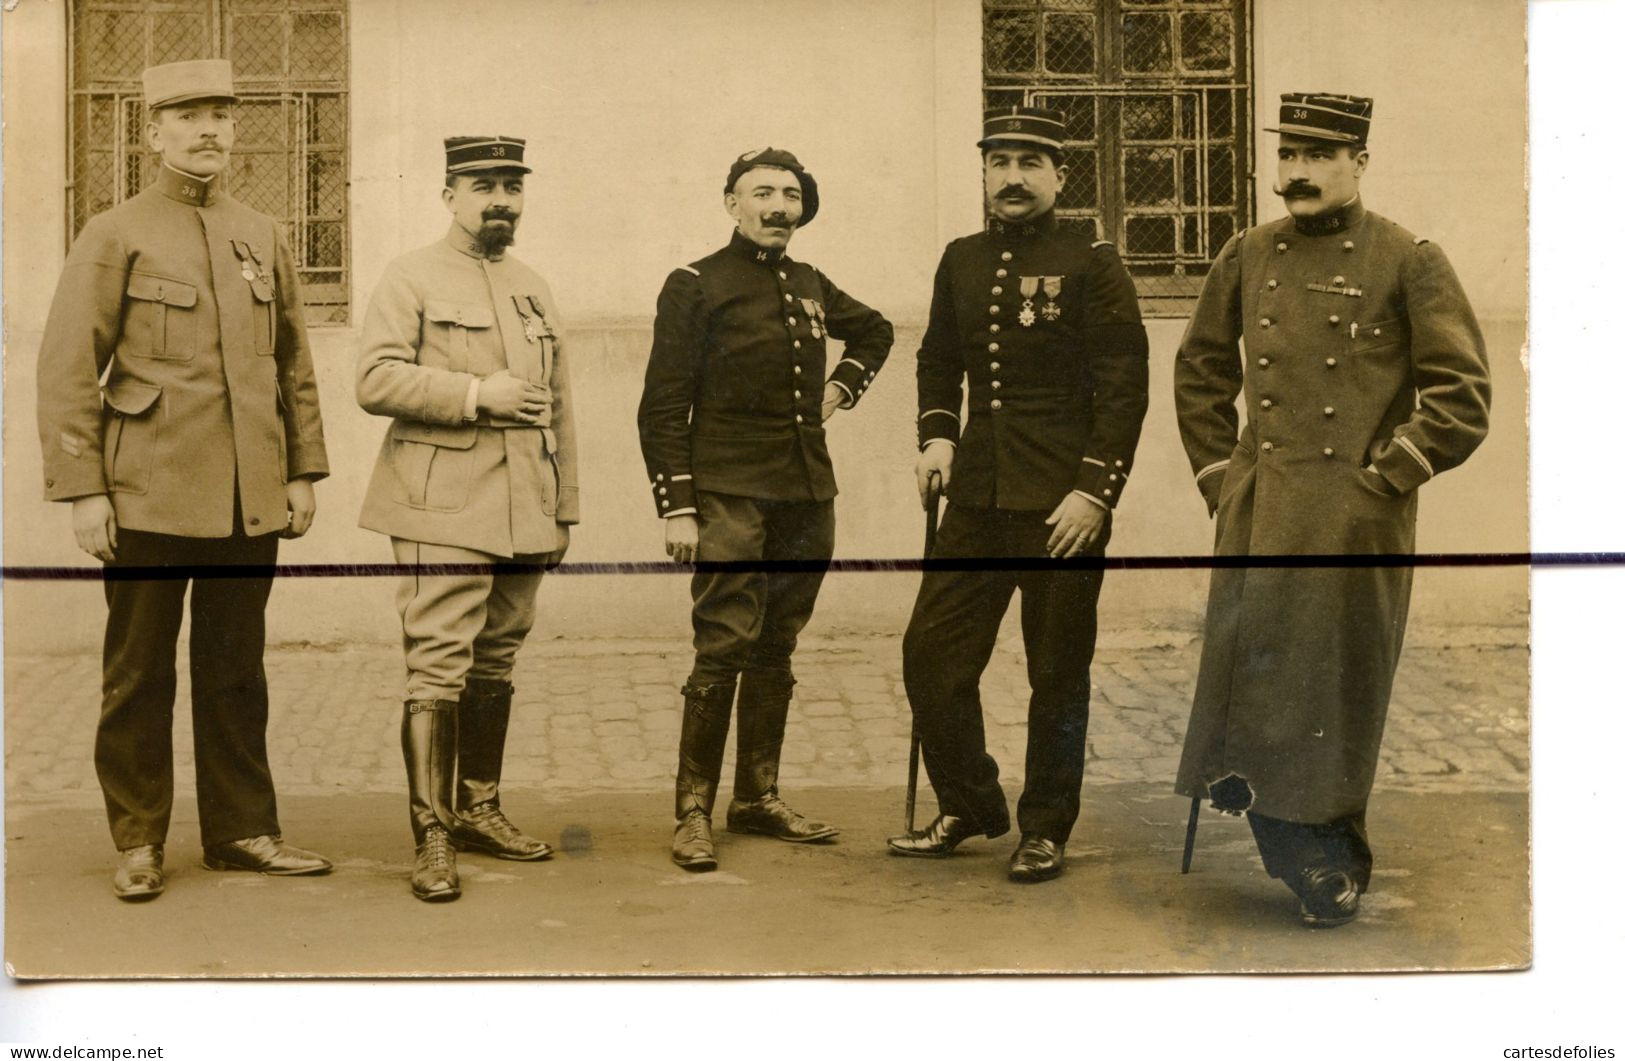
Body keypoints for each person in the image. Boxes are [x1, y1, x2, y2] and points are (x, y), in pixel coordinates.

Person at [1173, 93, 1492, 926]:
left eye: (1319, 154)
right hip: (1261, 510)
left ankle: (1329, 857)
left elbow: (1460, 396)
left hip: (1354, 517)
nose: (1298, 172)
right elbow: (1201, 368)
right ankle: (1312, 863)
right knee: (1257, 687)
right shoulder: (1245, 253)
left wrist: (1382, 481)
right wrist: (1221, 478)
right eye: (1289, 155)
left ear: (1359, 162)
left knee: (1333, 692)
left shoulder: (1407, 259)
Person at [35, 59, 332, 901]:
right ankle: (138, 839)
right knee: (138, 672)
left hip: (248, 496)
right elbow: (66, 368)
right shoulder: (114, 231)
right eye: (189, 115)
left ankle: (243, 830)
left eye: (221, 116)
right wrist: (84, 489)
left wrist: (301, 470)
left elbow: (292, 364)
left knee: (238, 667)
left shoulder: (260, 232)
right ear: (153, 130)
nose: (208, 131)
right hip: (147, 492)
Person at [888, 106, 1149, 883]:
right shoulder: (960, 258)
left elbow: (1122, 388)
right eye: (998, 161)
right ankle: (970, 802)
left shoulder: (1092, 262)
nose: (1011, 177)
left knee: (1056, 671)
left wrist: (1094, 493)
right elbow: (939, 359)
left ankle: (1044, 826)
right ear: (983, 172)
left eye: (1029, 163)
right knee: (929, 656)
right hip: (974, 497)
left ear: (1059, 176)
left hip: (1061, 508)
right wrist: (936, 435)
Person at [638, 147, 893, 871]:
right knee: (723, 642)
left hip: (807, 492)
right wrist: (677, 506)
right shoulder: (694, 284)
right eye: (762, 193)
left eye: (789, 194)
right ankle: (691, 810)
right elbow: (661, 407)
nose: (779, 207)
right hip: (726, 490)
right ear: (731, 203)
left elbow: (874, 330)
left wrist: (840, 388)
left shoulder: (809, 281)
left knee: (778, 640)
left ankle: (756, 795)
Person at [355, 135, 577, 902]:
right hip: (438, 501)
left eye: (512, 186)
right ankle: (434, 833)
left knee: (497, 657)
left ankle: (479, 806)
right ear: (448, 192)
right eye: (483, 185)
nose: (499, 201)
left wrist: (563, 507)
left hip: (525, 505)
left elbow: (560, 407)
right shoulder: (410, 275)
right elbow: (375, 377)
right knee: (439, 661)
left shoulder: (532, 286)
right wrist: (477, 394)